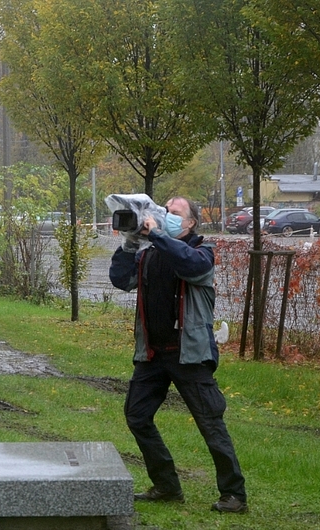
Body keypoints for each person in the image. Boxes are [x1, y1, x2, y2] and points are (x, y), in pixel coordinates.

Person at [109, 196, 248, 513]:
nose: (165, 216)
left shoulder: (202, 252)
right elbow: (121, 280)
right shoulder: (150, 254)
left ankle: (234, 495)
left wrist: (157, 234)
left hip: (190, 355)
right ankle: (167, 486)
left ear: (190, 223)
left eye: (174, 213)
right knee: (137, 416)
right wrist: (130, 244)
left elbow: (190, 265)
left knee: (209, 422)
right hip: (153, 355)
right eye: (164, 211)